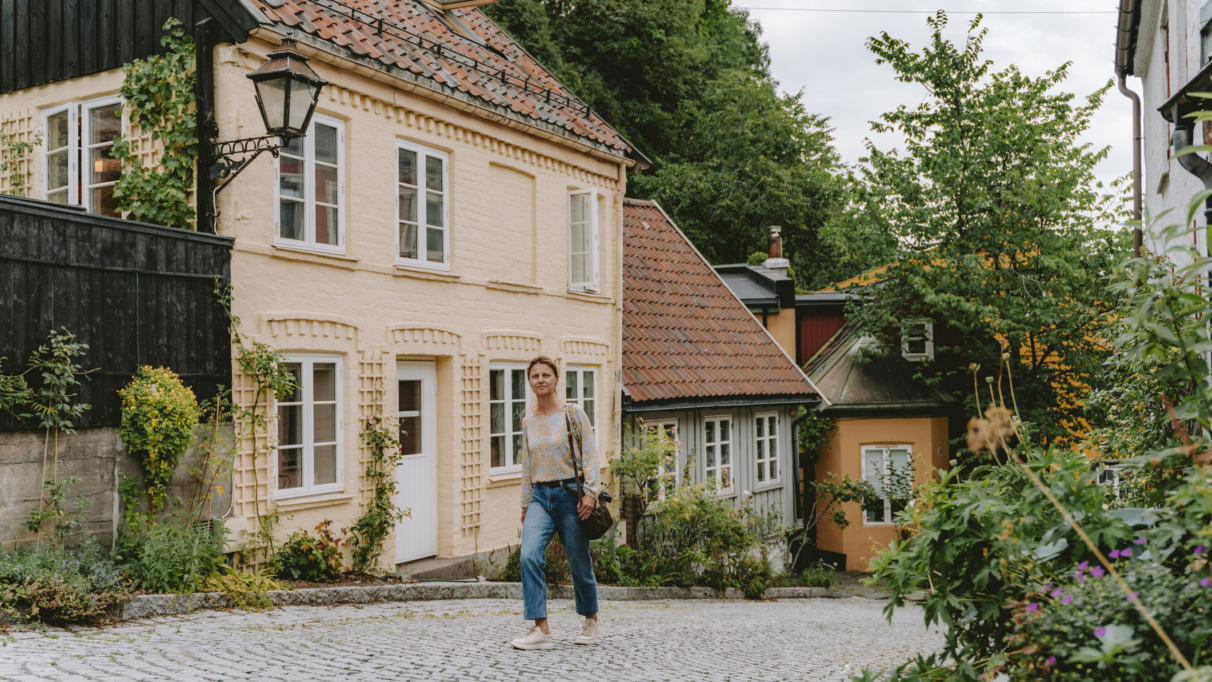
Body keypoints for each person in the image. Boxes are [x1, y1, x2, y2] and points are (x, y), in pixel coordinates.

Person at [510, 356, 601, 650]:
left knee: (578, 561)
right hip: (539, 496)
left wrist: (590, 492)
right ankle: (541, 629)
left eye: (545, 375)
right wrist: (525, 505)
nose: (540, 380)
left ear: (556, 379)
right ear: (530, 381)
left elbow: (591, 453)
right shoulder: (528, 420)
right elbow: (527, 464)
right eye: (535, 376)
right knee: (528, 556)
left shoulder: (573, 413)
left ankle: (590, 619)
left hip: (570, 495)